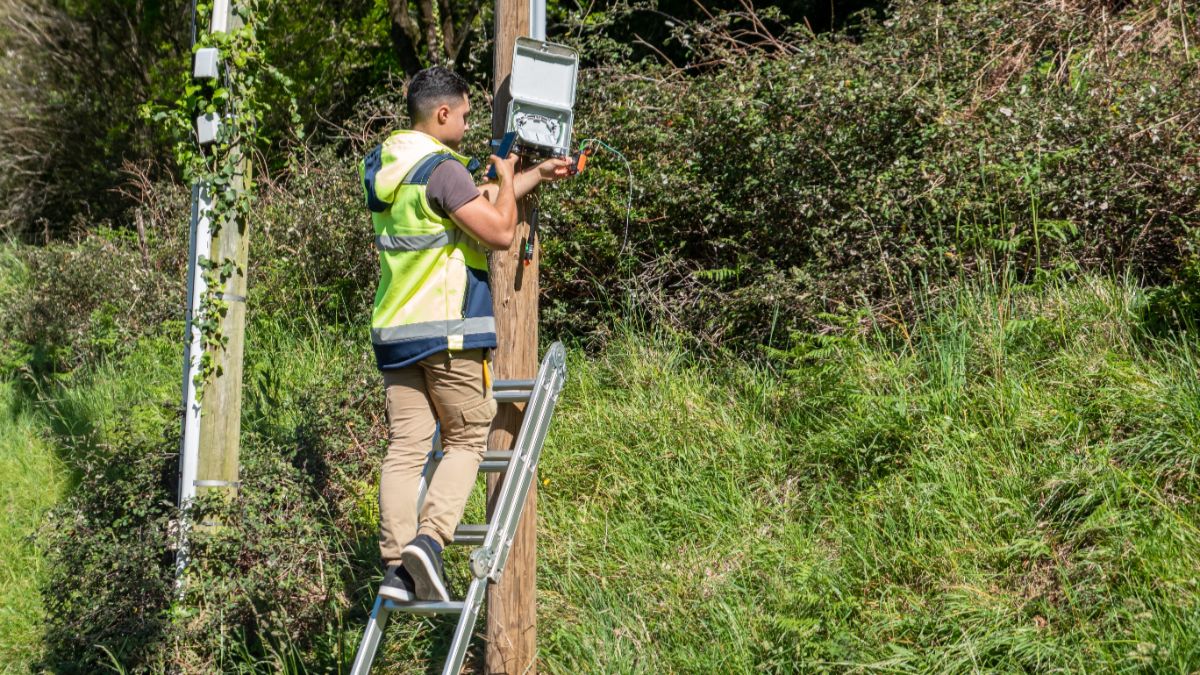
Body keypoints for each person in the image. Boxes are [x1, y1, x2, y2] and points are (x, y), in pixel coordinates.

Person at [358, 66, 571, 603]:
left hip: (397, 333)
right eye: (468, 114)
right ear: (443, 113)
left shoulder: (388, 166)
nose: (471, 122)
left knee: (406, 449)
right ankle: (430, 543)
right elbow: (498, 231)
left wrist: (530, 177)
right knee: (467, 439)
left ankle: (396, 567)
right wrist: (503, 178)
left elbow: (468, 208)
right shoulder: (443, 168)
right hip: (450, 333)